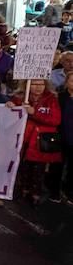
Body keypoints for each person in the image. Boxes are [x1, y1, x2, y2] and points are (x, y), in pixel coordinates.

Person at [12, 79, 62, 206]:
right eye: (34, 83)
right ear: (27, 84)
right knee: (24, 167)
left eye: (41, 84)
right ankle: (23, 191)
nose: (38, 87)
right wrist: (10, 105)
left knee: (38, 170)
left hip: (40, 141)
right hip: (24, 139)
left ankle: (35, 194)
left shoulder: (51, 99)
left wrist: (35, 113)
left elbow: (55, 120)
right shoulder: (20, 98)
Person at [52, 72, 73, 204]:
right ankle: (54, 191)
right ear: (67, 82)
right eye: (72, 81)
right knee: (57, 166)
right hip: (61, 137)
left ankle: (69, 191)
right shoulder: (59, 97)